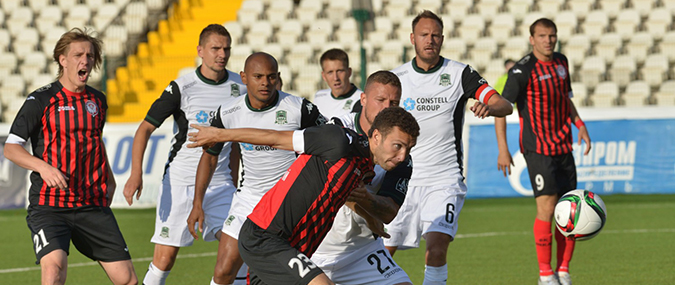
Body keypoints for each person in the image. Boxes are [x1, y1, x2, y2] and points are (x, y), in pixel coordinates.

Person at [187, 106, 420, 285]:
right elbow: (274, 137)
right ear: (376, 136)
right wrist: (219, 134)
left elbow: (344, 196)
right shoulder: (337, 140)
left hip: (294, 247)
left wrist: (371, 221)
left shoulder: (364, 167)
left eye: (408, 149)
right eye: (397, 146)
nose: (402, 156)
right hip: (266, 238)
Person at [383, 10, 514, 285]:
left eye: (435, 35)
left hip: (444, 179)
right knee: (383, 252)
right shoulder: (397, 78)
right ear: (412, 39)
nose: (430, 40)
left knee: (437, 248)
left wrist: (489, 107)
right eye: (424, 35)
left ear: (442, 39)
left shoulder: (459, 73)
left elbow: (505, 105)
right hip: (401, 178)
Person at [4, 28, 138, 285]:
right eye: (78, 55)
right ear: (62, 60)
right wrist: (44, 168)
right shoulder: (41, 99)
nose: (85, 61)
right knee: (54, 270)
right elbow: (11, 147)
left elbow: (94, 141)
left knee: (127, 279)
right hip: (50, 205)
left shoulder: (98, 101)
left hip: (92, 204)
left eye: (89, 55)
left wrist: (109, 178)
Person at [122, 24, 247, 285]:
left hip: (221, 183)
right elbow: (144, 129)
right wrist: (136, 174)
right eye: (215, 48)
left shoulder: (240, 86)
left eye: (226, 48)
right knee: (164, 260)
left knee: (237, 251)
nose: (221, 54)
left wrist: (235, 181)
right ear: (201, 51)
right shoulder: (182, 87)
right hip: (181, 182)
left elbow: (234, 142)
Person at [186, 52, 327, 285]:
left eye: (271, 77)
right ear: (244, 77)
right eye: (258, 76)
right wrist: (197, 203)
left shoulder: (299, 108)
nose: (265, 83)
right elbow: (210, 158)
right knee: (223, 271)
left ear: (278, 77)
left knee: (283, 275)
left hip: (289, 202)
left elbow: (328, 143)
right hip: (249, 200)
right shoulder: (229, 113)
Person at [494, 18, 591, 285]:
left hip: (564, 146)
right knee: (547, 208)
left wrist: (580, 125)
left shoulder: (561, 62)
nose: (548, 40)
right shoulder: (521, 71)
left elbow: (565, 99)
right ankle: (545, 274)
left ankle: (563, 270)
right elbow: (501, 109)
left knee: (569, 209)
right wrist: (503, 149)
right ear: (532, 39)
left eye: (552, 35)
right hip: (538, 149)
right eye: (543, 36)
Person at [311, 70, 414, 285]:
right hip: (314, 247)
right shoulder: (337, 130)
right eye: (380, 100)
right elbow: (331, 180)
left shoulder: (400, 153)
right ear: (363, 99)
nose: (387, 108)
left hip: (362, 251)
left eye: (394, 102)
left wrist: (365, 202)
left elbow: (388, 212)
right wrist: (367, 213)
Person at [313, 48, 363, 119]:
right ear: (323, 76)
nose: (335, 78)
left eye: (340, 71)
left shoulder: (361, 100)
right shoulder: (319, 96)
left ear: (349, 72)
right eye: (330, 72)